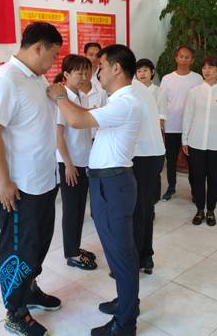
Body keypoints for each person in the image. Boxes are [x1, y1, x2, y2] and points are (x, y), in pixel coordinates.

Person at [47, 44, 141, 336]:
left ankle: (125, 324)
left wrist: (59, 95)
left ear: (116, 68)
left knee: (121, 254)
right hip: (108, 182)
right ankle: (126, 302)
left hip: (113, 184)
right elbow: (84, 114)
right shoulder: (118, 101)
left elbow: (76, 120)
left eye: (101, 66)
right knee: (117, 251)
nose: (96, 73)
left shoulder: (125, 102)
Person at [0, 22, 63, 336]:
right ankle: (14, 312)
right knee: (18, 250)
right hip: (18, 187)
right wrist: (3, 181)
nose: (53, 63)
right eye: (52, 55)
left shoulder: (36, 78)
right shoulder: (5, 79)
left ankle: (29, 289)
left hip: (42, 181)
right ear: (38, 47)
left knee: (38, 243)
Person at [182, 56, 217, 226]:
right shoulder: (194, 92)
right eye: (204, 68)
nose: (207, 71)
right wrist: (185, 139)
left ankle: (211, 210)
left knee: (213, 177)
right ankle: (199, 209)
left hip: (216, 143)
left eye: (211, 67)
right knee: (197, 177)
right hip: (195, 142)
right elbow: (188, 116)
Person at [56, 54, 97, 271]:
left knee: (80, 207)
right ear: (66, 74)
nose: (83, 76)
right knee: (72, 210)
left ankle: (75, 247)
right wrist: (68, 164)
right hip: (70, 164)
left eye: (86, 72)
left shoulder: (81, 96)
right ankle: (71, 254)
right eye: (78, 72)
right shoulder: (61, 99)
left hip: (83, 161)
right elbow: (58, 135)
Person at [131, 79, 165, 274]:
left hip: (142, 156)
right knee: (145, 209)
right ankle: (146, 256)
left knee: (137, 210)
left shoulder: (128, 92)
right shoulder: (140, 89)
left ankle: (136, 259)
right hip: (152, 154)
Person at [160, 46, 203, 201]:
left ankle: (195, 190)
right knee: (171, 160)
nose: (184, 60)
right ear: (176, 58)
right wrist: (161, 122)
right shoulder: (167, 79)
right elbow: (162, 102)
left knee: (193, 161)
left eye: (187, 57)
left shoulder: (197, 78)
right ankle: (171, 187)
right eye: (181, 56)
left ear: (192, 60)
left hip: (191, 127)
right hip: (172, 126)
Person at [81, 42, 107, 138]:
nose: (94, 58)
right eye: (91, 55)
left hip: (98, 130)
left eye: (97, 55)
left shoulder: (105, 74)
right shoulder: (78, 75)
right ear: (85, 55)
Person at [135, 58, 167, 132]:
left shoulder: (159, 92)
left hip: (153, 131)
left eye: (145, 70)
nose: (142, 74)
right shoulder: (132, 91)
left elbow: (162, 116)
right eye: (139, 71)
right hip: (135, 131)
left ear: (152, 72)